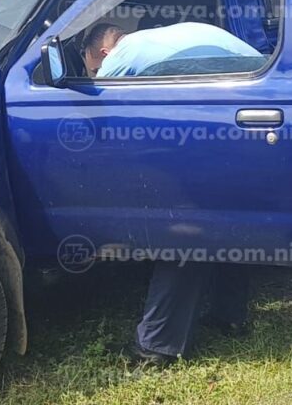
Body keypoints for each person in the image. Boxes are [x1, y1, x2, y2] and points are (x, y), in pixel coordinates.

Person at [79, 21, 260, 364]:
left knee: (180, 229)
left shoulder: (121, 57)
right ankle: (229, 315)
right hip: (246, 118)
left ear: (103, 53)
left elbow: (97, 114)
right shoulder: (168, 35)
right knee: (224, 221)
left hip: (214, 123)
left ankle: (157, 346)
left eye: (93, 68)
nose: (95, 74)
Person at [81, 21, 264, 78]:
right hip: (264, 76)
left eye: (97, 69)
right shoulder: (185, 28)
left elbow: (97, 95)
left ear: (106, 53)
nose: (98, 73)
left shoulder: (124, 50)